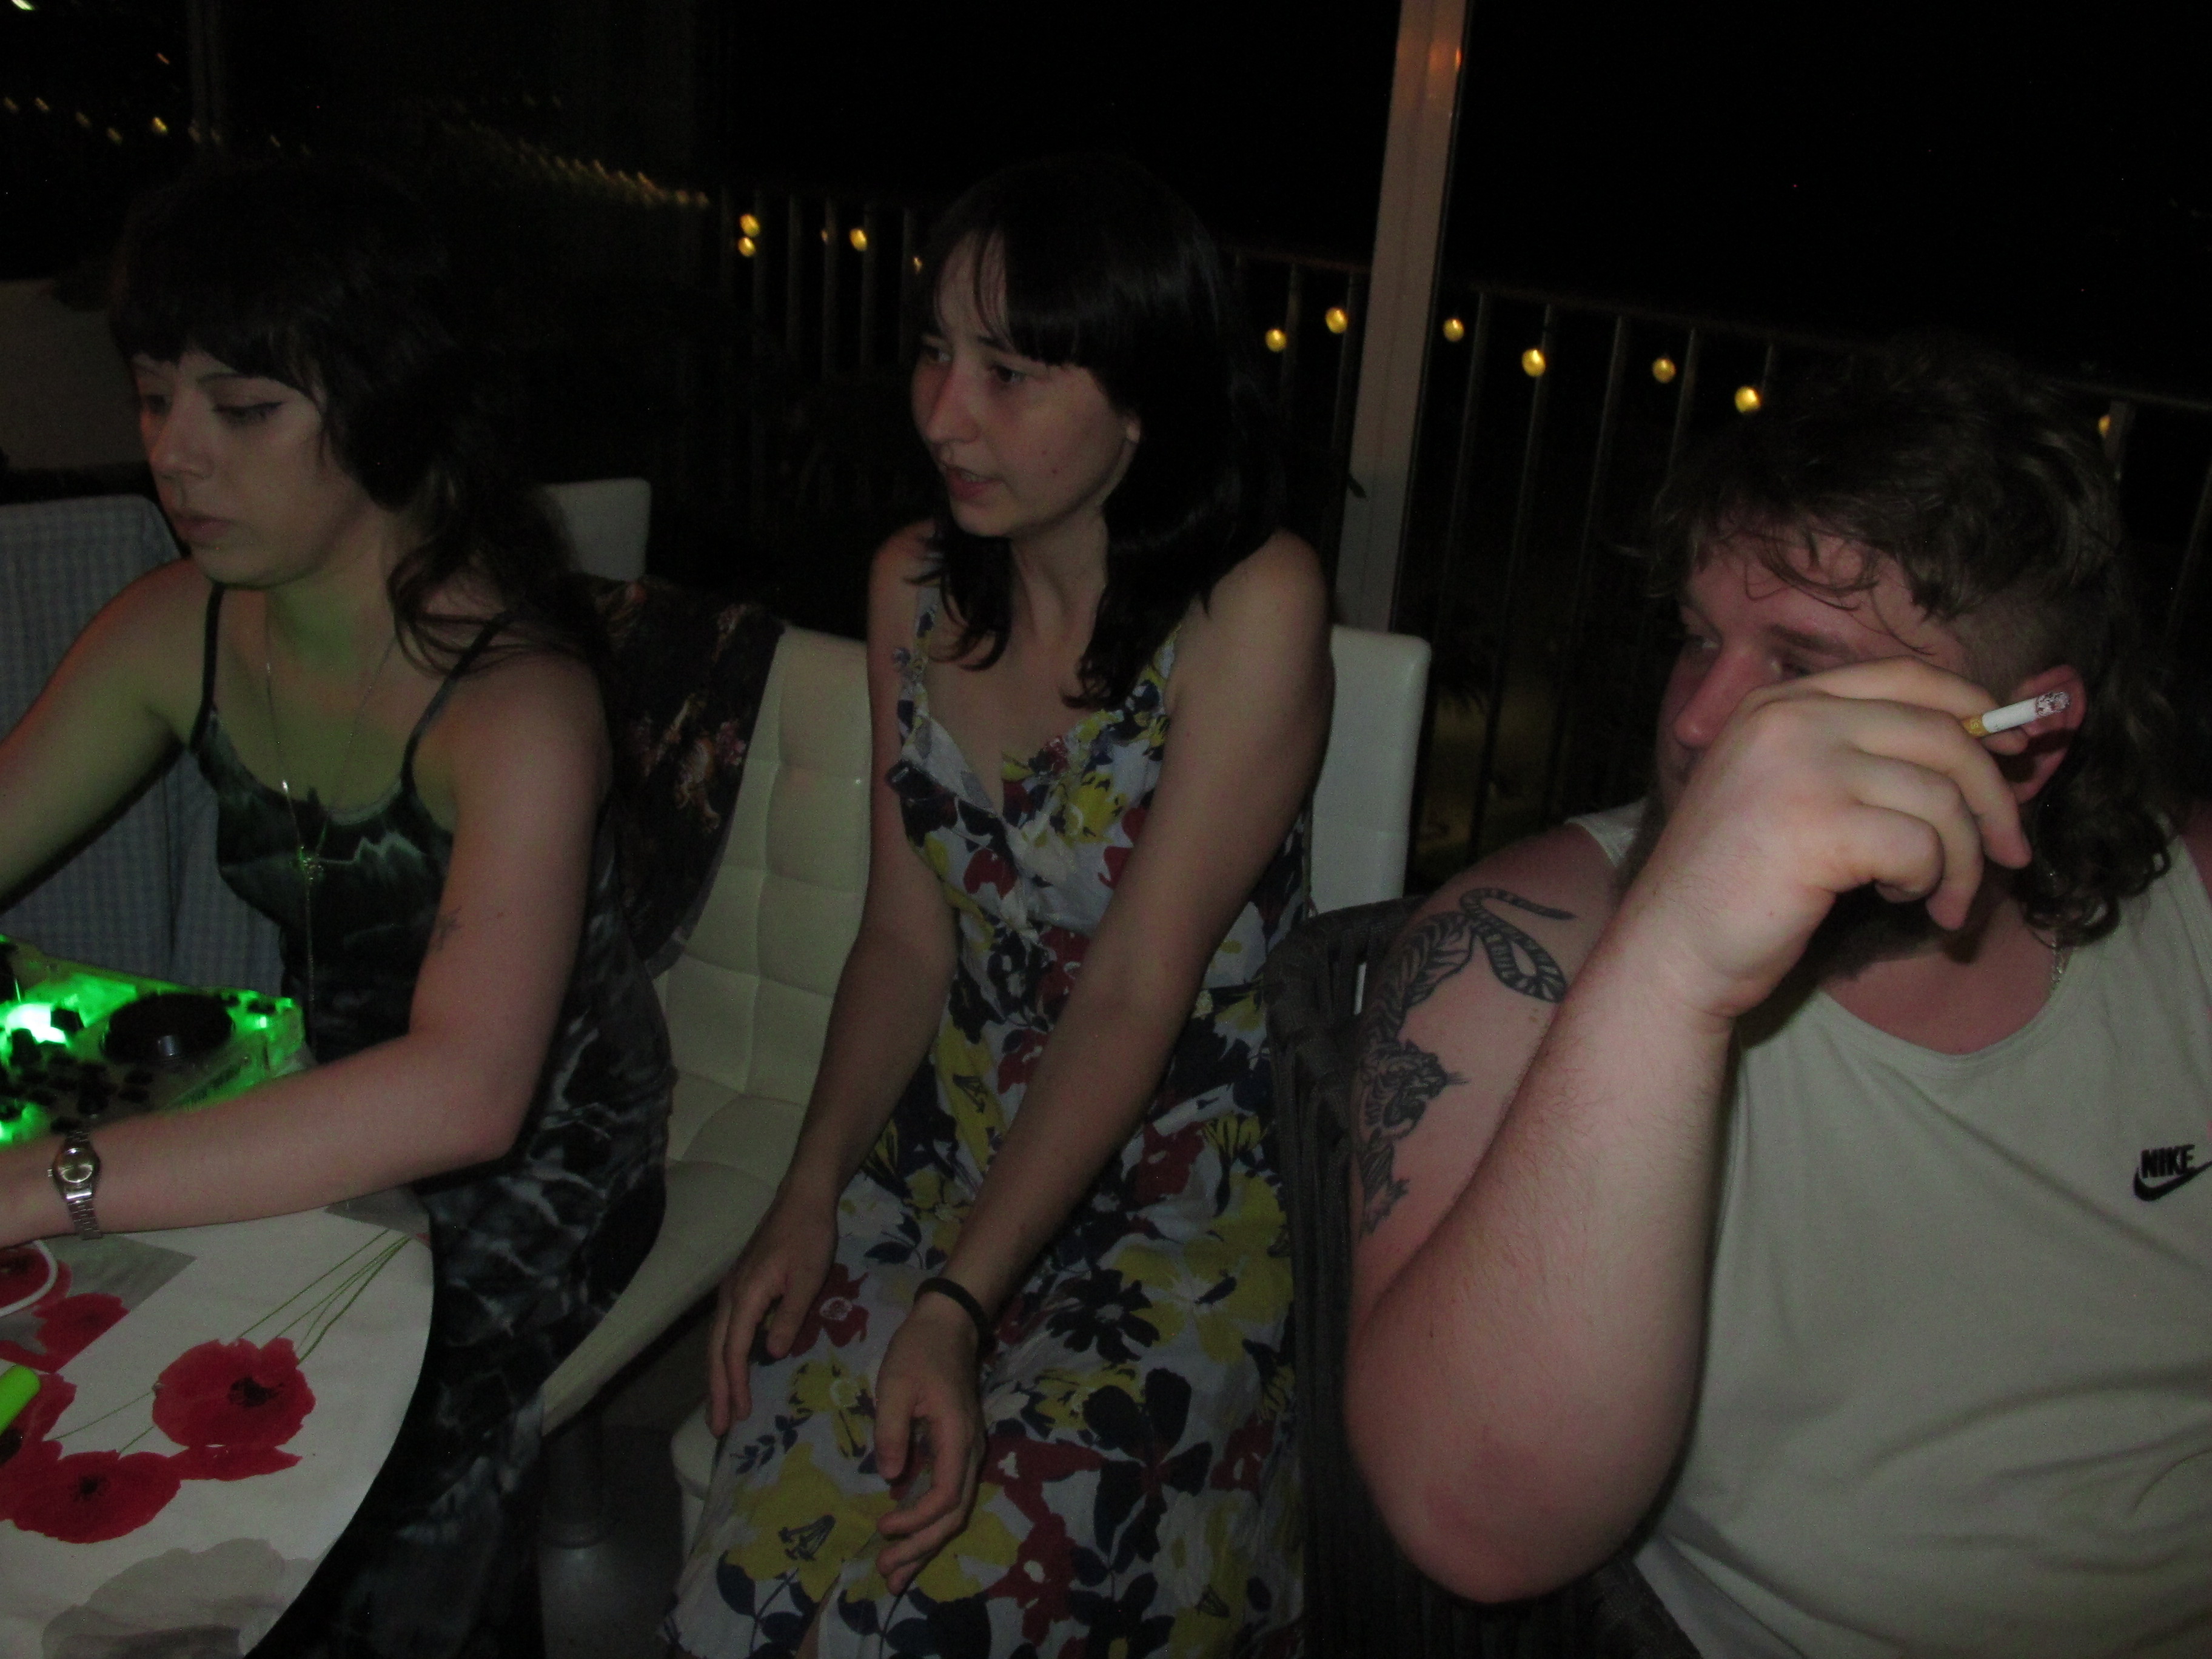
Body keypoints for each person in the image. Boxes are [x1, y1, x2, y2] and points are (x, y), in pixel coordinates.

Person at [1346, 338, 2211, 1654]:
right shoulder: (1517, 953)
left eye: (1800, 671)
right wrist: (1675, 961)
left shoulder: (2189, 919)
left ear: (2025, 743)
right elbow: (1477, 1524)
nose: (1698, 721)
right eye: (1700, 639)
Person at [0, 158, 671, 1657]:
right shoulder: (181, 626)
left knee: (330, 1462)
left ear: (390, 406)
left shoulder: (516, 702)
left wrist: (55, 1177)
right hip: (313, 1074)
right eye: (154, 396)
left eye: (243, 409)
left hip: (540, 1143)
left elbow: (466, 1095)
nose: (174, 453)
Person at [669, 154, 1329, 1657]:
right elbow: (905, 939)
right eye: (934, 352)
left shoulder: (1252, 606)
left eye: (1010, 373)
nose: (942, 415)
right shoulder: (913, 586)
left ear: (1144, 399)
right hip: (942, 1167)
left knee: (927, 1618)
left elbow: (1133, 991)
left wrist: (958, 1311)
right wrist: (809, 1188)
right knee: (740, 1607)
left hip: (1175, 1208)